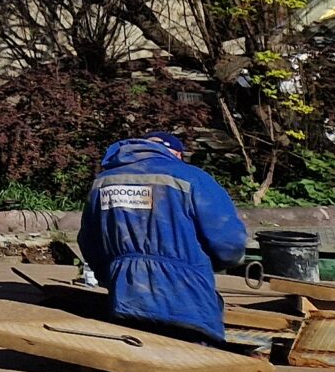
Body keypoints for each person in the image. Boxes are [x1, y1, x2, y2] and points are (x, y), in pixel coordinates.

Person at [80, 134, 250, 342]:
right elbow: (228, 240)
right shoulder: (192, 178)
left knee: (139, 355)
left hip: (126, 294)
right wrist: (225, 262)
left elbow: (90, 241)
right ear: (177, 154)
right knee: (193, 361)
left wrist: (109, 275)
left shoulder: (103, 182)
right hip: (187, 296)